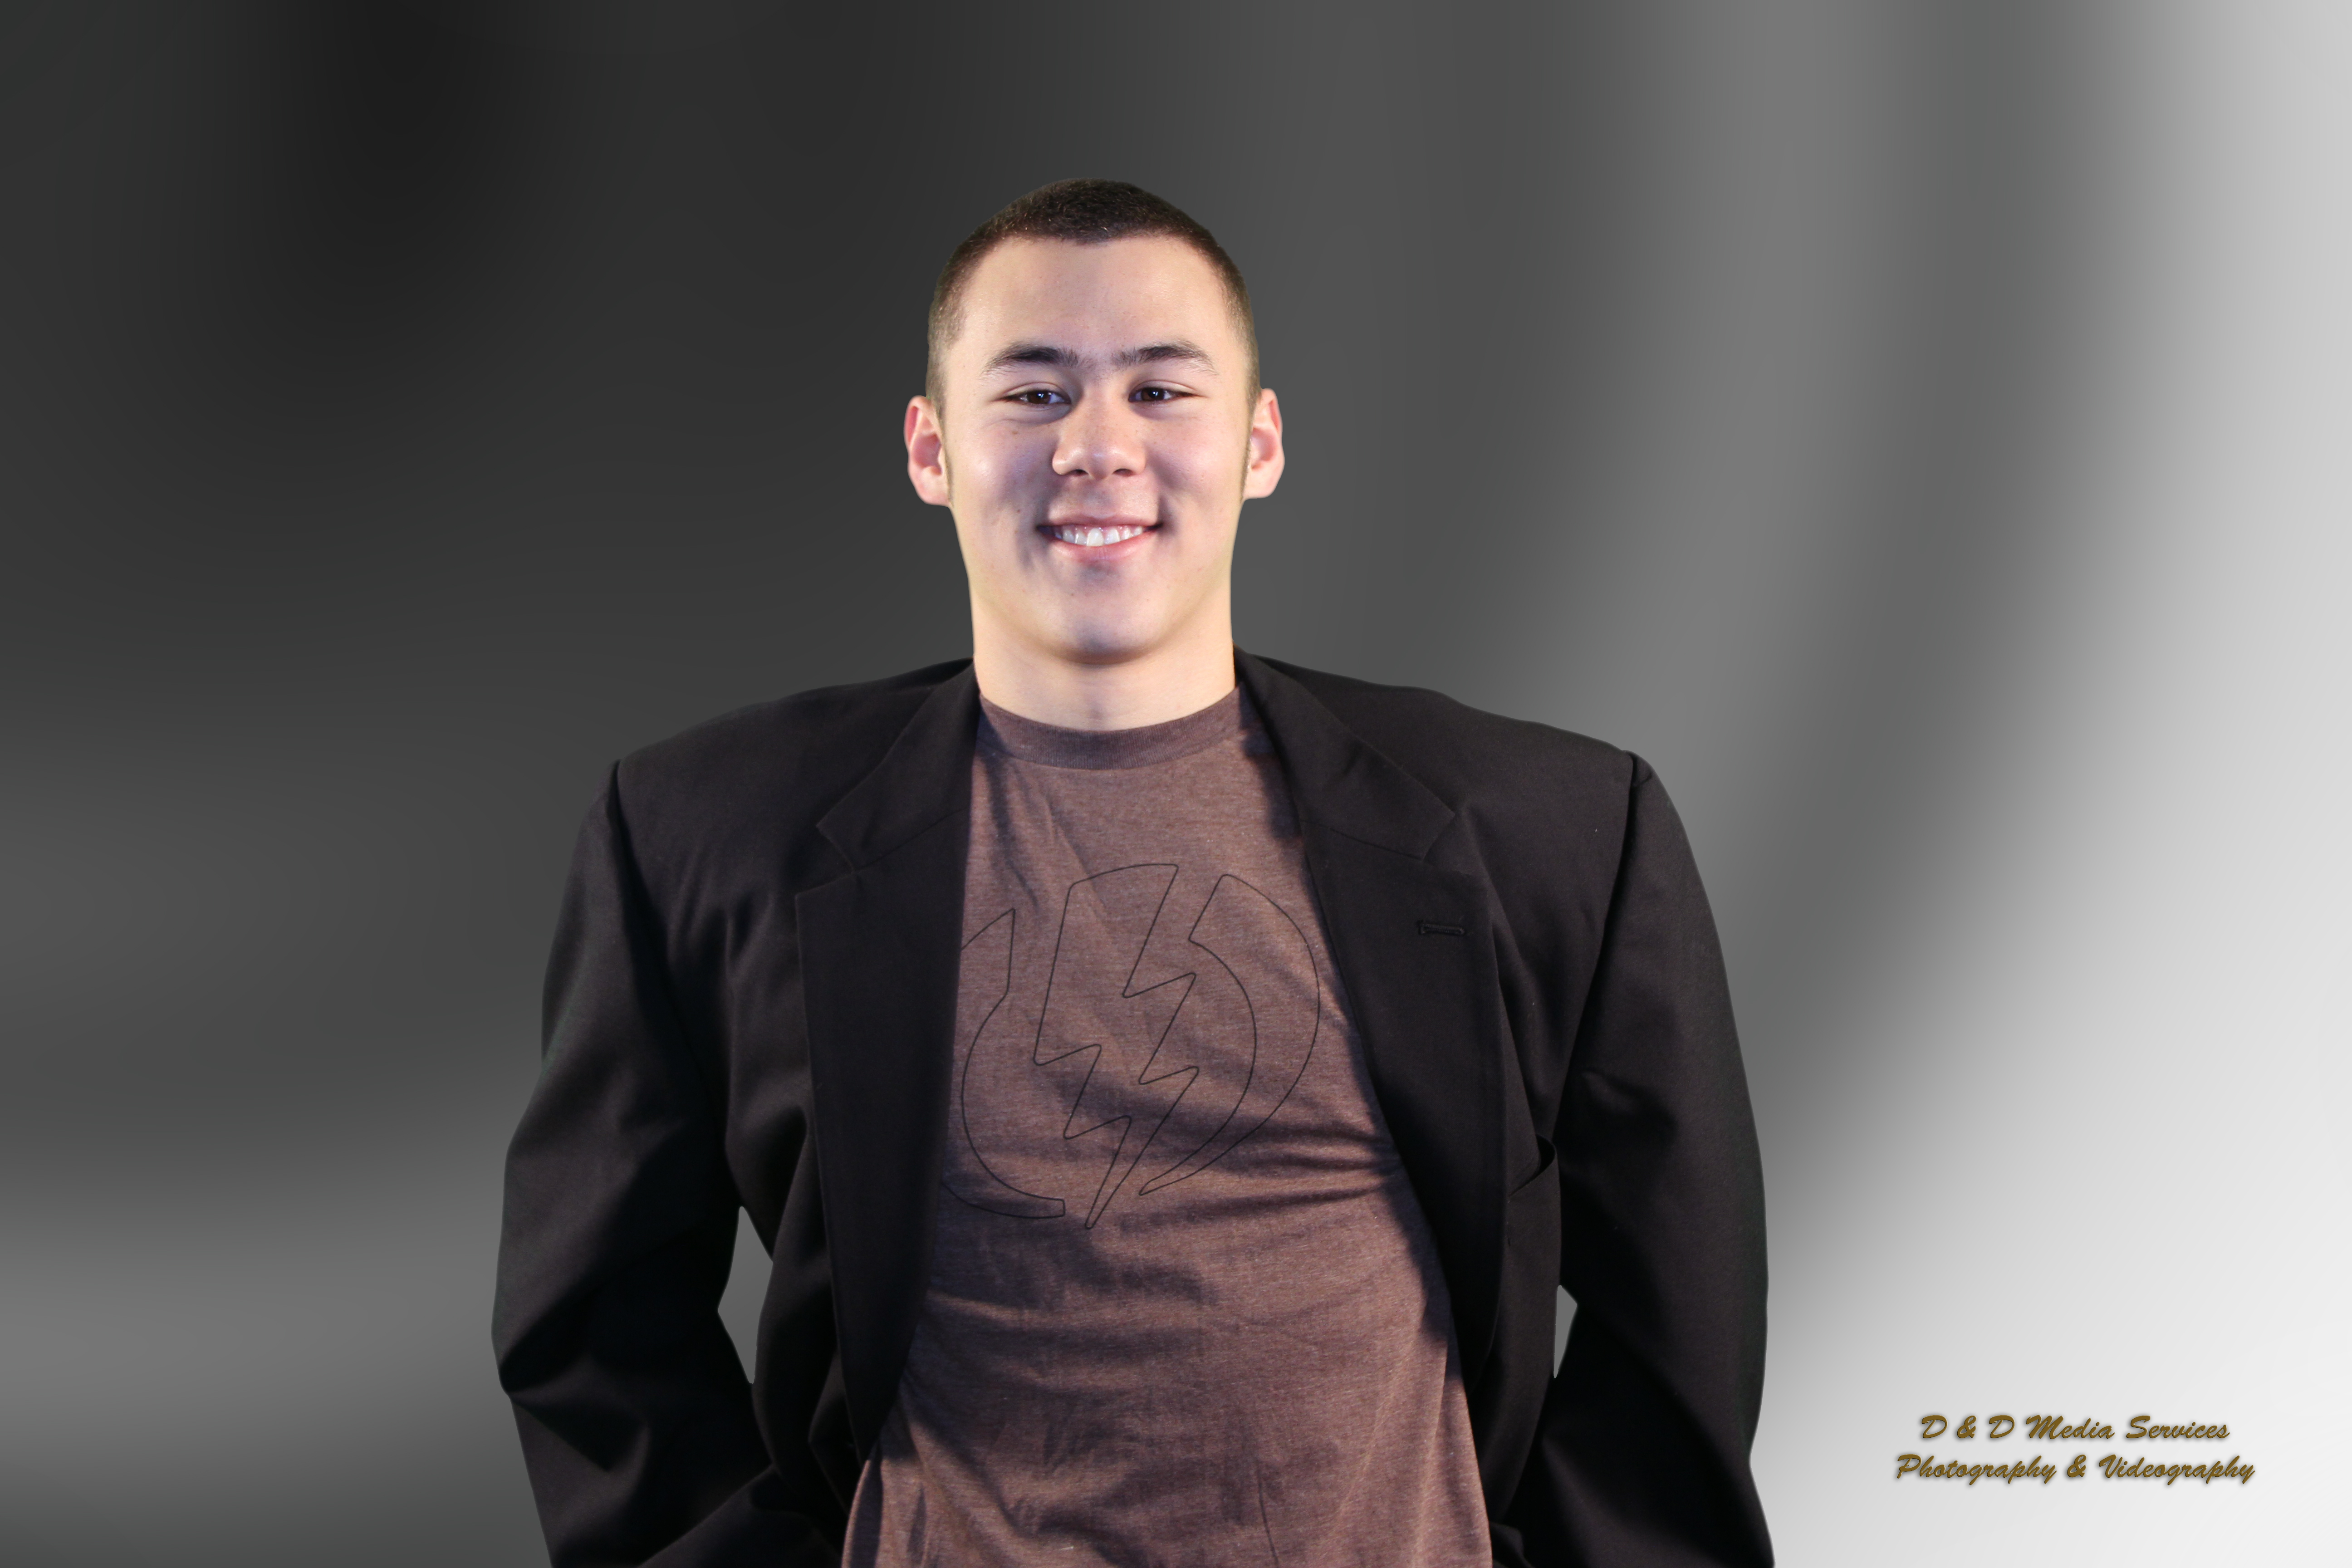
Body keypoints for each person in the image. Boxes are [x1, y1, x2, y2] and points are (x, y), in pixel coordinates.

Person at [495, 179, 1771, 1568]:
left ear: (1259, 443)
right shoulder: (697, 838)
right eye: (1033, 394)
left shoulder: (1559, 831)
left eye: (1161, 391)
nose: (1097, 446)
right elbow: (595, 1324)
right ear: (930, 450)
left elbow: (1681, 1316)